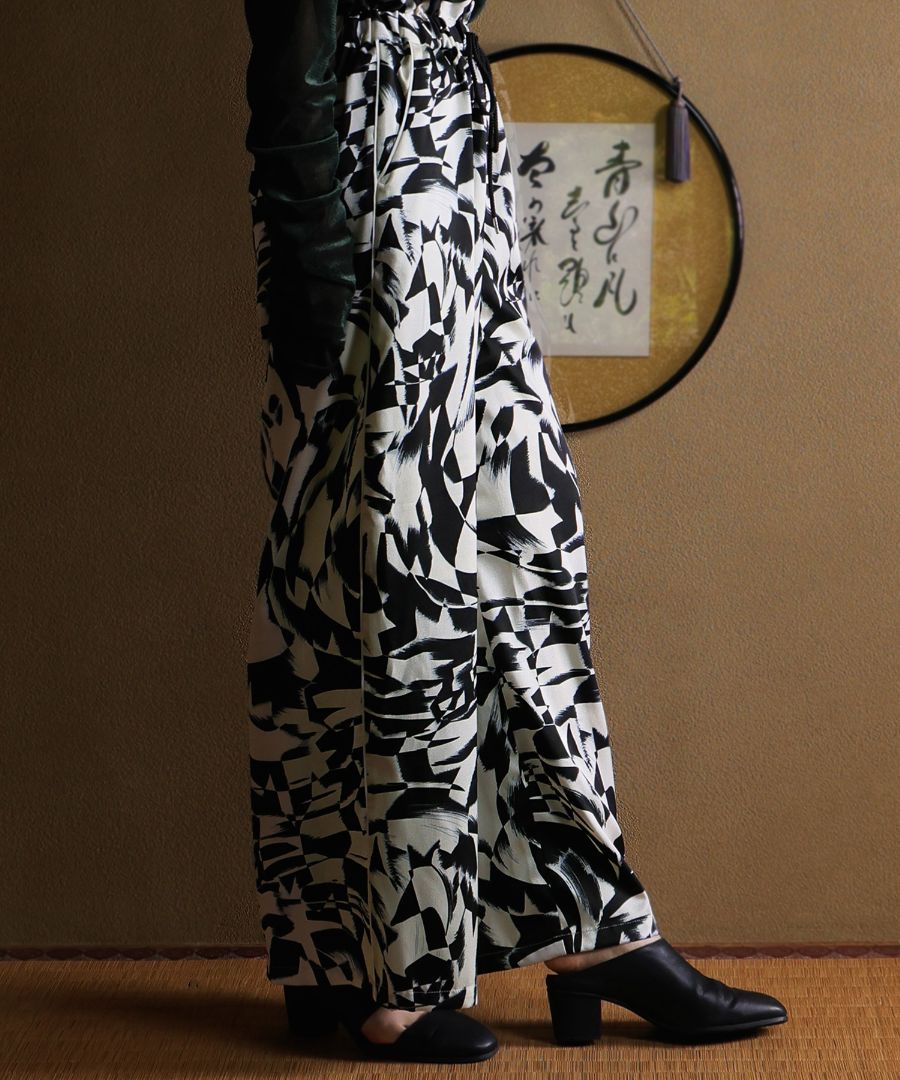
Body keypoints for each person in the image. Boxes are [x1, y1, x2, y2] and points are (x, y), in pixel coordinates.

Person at [241, 0, 788, 1064]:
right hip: (375, 196)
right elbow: (290, 63)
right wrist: (310, 269)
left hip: (454, 174)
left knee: (522, 554)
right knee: (387, 573)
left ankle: (590, 922)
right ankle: (379, 964)